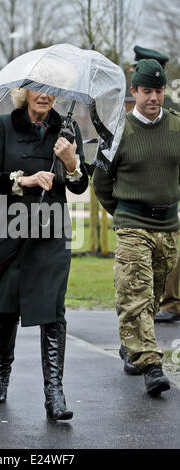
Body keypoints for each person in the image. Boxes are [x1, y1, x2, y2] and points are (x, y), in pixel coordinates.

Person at [0, 88, 88, 421]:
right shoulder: (4, 126)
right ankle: (1, 371)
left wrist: (72, 163)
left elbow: (79, 187)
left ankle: (55, 393)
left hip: (51, 232)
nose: (44, 96)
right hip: (9, 226)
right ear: (24, 93)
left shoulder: (67, 129)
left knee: (52, 307)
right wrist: (26, 179)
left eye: (51, 91)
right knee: (6, 305)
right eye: (38, 89)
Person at [92, 59, 180, 397]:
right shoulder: (117, 131)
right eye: (147, 91)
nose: (154, 97)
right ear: (134, 92)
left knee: (153, 296)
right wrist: (124, 215)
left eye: (158, 90)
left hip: (168, 227)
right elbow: (100, 182)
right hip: (132, 225)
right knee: (134, 295)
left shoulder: (176, 127)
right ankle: (151, 364)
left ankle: (131, 346)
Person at [131, 47, 180, 325]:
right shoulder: (167, 98)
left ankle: (171, 303)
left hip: (167, 188)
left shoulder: (168, 105)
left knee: (169, 247)